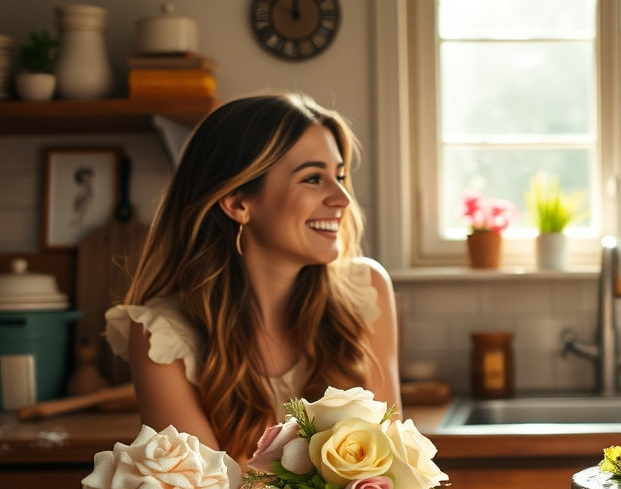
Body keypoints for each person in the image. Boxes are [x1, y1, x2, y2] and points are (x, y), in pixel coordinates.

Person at [106, 92, 401, 460]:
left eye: (339, 176)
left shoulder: (366, 291)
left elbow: (389, 465)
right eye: (313, 178)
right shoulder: (161, 335)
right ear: (238, 203)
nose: (342, 198)